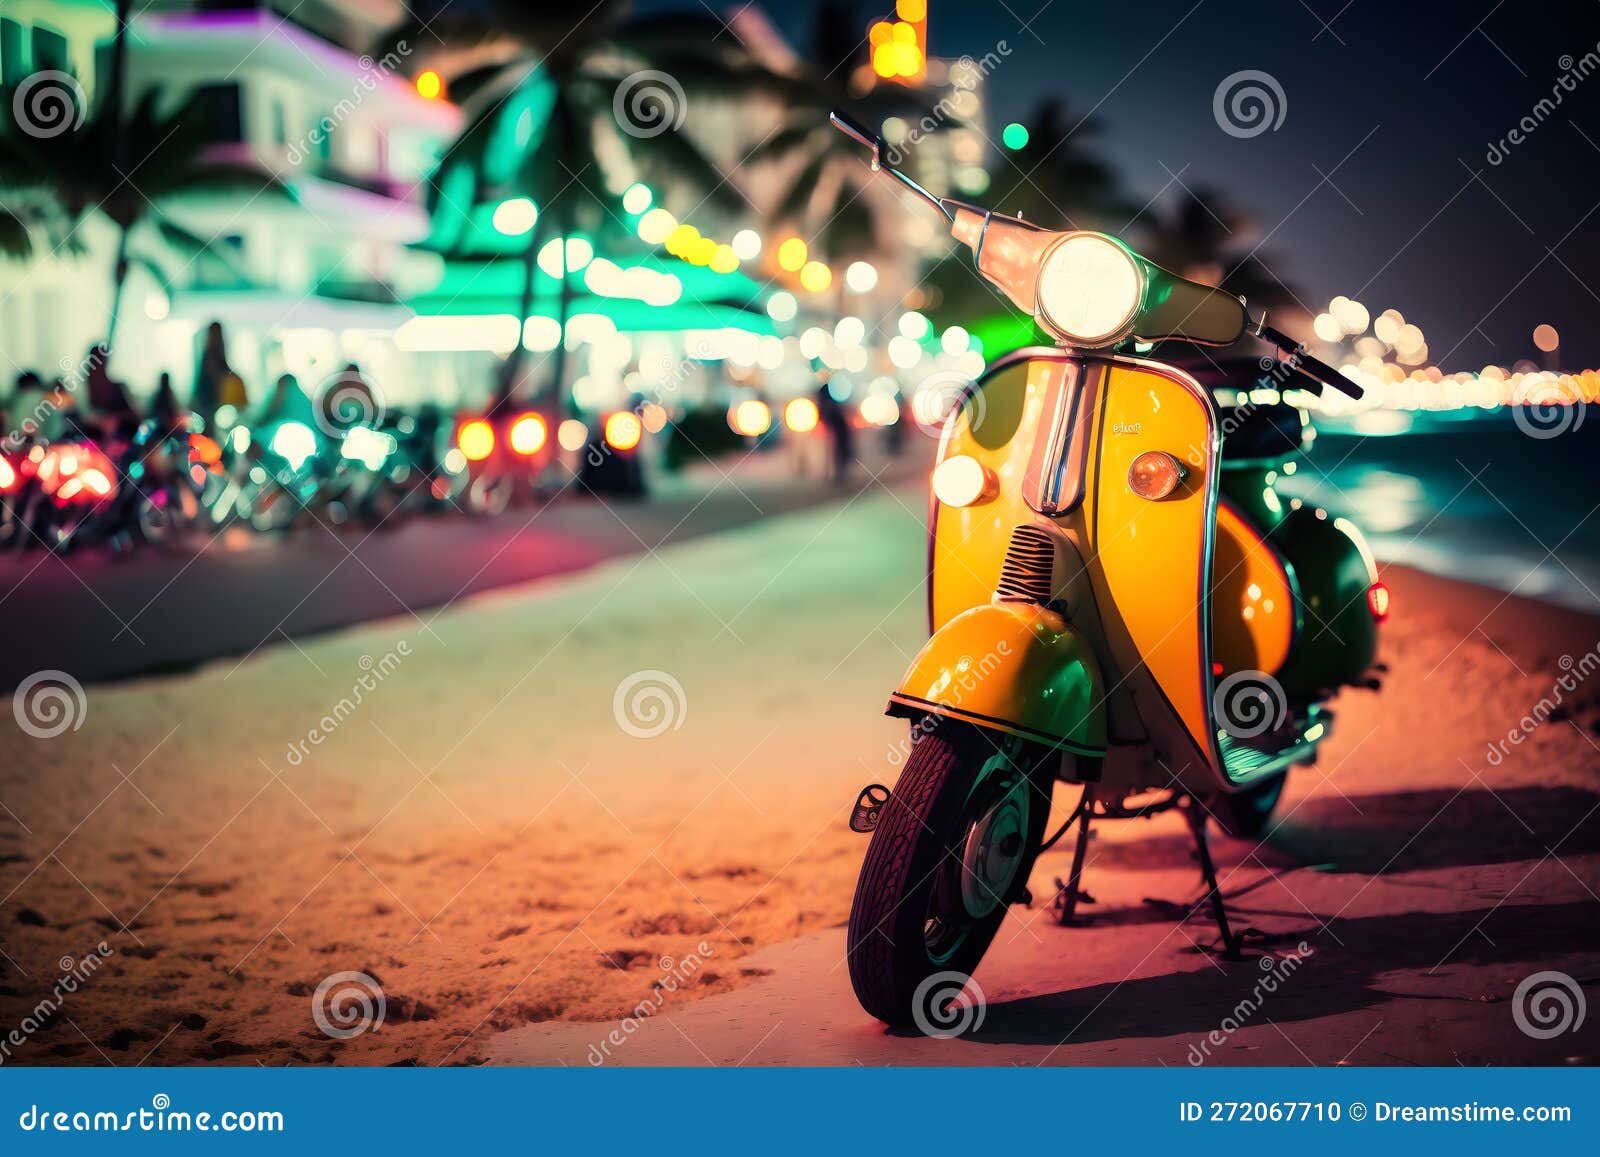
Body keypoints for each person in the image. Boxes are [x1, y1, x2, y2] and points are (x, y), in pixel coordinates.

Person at [815, 382, 855, 484]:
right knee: (836, 450)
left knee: (834, 450)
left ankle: (836, 474)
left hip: (835, 428)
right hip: (836, 428)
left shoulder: (826, 397)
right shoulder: (831, 399)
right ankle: (836, 474)